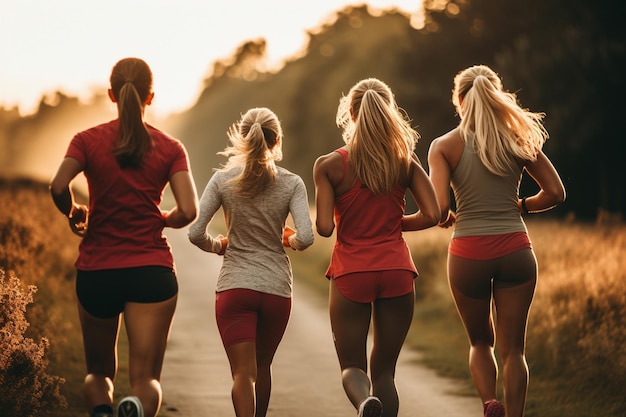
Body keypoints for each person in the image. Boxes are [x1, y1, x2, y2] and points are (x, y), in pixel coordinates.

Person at [50, 57, 198, 417]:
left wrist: (74, 212)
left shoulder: (86, 141)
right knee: (146, 379)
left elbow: (57, 186)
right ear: (151, 96)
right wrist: (162, 218)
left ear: (111, 94)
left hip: (97, 270)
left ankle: (102, 409)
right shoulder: (170, 148)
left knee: (98, 373)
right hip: (151, 271)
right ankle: (133, 406)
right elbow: (189, 211)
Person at [425, 65, 566, 417]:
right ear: (496, 95)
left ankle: (489, 402)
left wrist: (447, 217)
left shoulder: (443, 146)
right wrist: (521, 205)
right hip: (516, 249)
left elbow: (439, 209)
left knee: (479, 341)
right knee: (514, 351)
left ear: (458, 100)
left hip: (468, 253)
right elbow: (556, 193)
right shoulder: (517, 140)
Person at [313, 78, 440, 417]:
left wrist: (351, 220)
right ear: (389, 112)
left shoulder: (329, 165)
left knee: (352, 367)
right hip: (398, 270)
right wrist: (395, 223)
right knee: (385, 371)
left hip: (351, 272)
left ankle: (365, 403)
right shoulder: (404, 162)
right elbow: (434, 213)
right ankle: (377, 400)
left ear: (350, 114)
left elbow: (325, 228)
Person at [188, 107, 314, 417]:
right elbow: (307, 238)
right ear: (277, 140)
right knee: (264, 365)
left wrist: (219, 246)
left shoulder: (222, 180)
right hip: (275, 289)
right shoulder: (292, 183)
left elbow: (194, 233)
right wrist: (289, 240)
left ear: (242, 138)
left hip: (235, 287)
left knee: (242, 373)